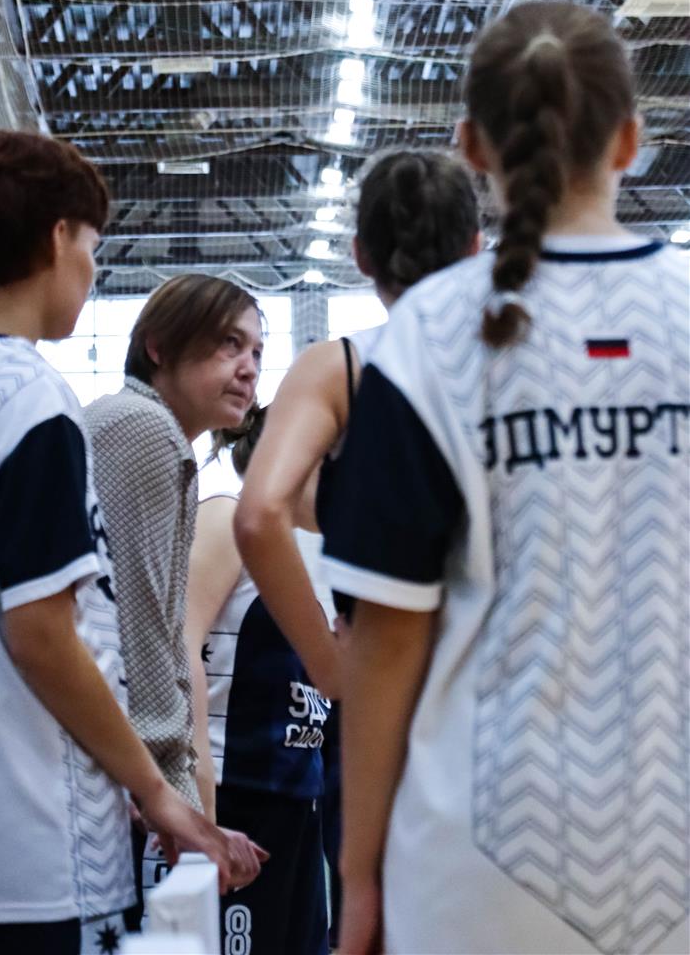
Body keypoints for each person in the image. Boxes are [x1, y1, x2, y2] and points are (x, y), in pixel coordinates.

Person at [322, 0, 690, 955]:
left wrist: (358, 875)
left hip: (478, 862)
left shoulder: (428, 334)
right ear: (629, 141)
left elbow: (386, 638)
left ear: (471, 146)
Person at [0, 132, 261, 955]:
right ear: (57, 239)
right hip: (40, 846)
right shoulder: (32, 403)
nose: (91, 271)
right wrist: (157, 792)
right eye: (90, 246)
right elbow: (46, 636)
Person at [235, 148, 479, 944]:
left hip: (383, 701)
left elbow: (258, 513)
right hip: (506, 692)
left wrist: (326, 662)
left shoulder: (340, 365)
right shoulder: (526, 354)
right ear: (476, 246)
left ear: (360, 256)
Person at [83, 274, 266, 923]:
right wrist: (182, 802)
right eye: (228, 344)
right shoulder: (142, 430)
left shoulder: (152, 436)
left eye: (257, 352)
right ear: (157, 347)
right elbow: (146, 635)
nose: (249, 368)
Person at [185, 406, 334, 955]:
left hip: (295, 803)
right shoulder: (226, 514)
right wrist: (201, 817)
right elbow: (177, 645)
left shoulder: (291, 549)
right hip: (236, 801)